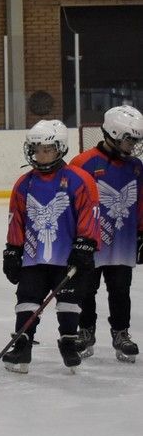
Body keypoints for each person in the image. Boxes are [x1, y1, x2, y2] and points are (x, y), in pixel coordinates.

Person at [2, 120, 100, 373]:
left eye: (47, 149)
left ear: (60, 149)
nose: (41, 155)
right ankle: (22, 345)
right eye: (37, 149)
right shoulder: (24, 183)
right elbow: (17, 219)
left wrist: (85, 245)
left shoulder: (79, 179)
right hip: (34, 257)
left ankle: (68, 341)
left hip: (68, 256)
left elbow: (90, 215)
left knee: (69, 301)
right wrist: (13, 250)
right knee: (27, 299)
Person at [69, 104, 143, 362]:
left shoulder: (136, 166)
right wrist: (74, 238)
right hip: (91, 242)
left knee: (121, 289)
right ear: (113, 133)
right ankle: (85, 331)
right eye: (129, 139)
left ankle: (121, 333)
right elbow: (71, 201)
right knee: (86, 290)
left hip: (123, 241)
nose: (133, 145)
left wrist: (142, 233)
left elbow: (141, 201)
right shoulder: (83, 163)